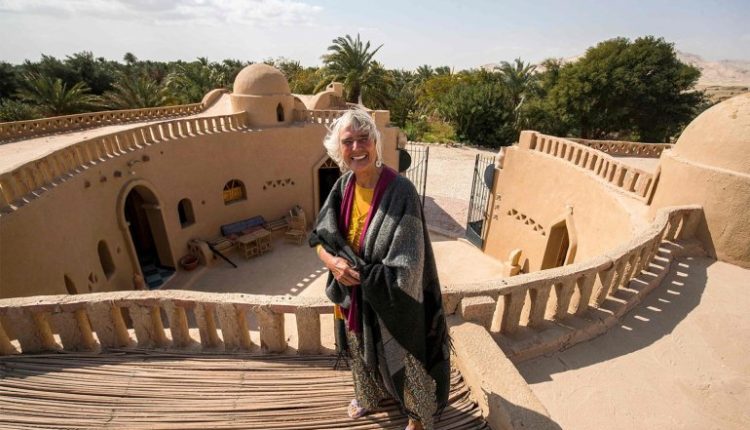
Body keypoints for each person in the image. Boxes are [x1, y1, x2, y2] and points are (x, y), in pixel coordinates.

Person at [309, 108, 450, 430]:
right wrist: (332, 263)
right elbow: (320, 237)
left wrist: (359, 275)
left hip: (392, 300)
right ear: (338, 149)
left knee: (406, 358)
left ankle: (417, 417)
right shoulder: (343, 186)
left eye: (364, 139)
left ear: (375, 143)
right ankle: (368, 395)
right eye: (348, 141)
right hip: (352, 297)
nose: (356, 148)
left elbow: (409, 265)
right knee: (358, 348)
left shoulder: (401, 192)